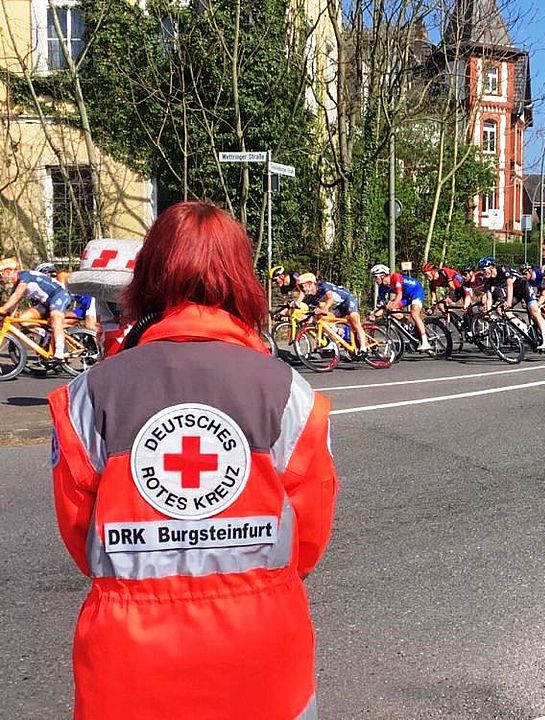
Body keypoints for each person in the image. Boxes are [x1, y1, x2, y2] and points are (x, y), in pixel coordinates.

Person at [47, 201, 338, 720]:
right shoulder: (290, 393)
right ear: (241, 277)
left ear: (151, 275)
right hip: (263, 653)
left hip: (129, 662)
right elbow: (308, 539)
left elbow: (79, 533)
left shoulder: (88, 395)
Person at [0, 258, 72, 358]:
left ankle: (59, 352)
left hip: (59, 295)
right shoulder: (16, 285)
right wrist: (7, 319)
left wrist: (3, 309)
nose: (0, 279)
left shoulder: (25, 277)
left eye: (0, 275)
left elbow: (16, 296)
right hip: (45, 303)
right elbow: (13, 305)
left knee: (55, 317)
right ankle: (46, 334)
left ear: (8, 272)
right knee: (23, 319)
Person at [370, 263, 431, 351]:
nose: (375, 280)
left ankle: (425, 342)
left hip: (416, 291)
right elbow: (382, 305)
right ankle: (408, 324)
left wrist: (392, 305)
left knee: (414, 314)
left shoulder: (395, 277)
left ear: (382, 275)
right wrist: (374, 315)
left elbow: (399, 295)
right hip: (406, 296)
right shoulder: (382, 287)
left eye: (375, 277)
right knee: (391, 310)